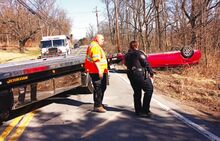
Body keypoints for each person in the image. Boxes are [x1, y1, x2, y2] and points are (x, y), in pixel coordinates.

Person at [125, 41, 154, 117]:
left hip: (130, 74)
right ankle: (145, 110)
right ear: (137, 45)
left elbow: (125, 63)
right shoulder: (138, 53)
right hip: (139, 74)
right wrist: (151, 73)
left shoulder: (127, 55)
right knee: (149, 89)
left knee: (137, 92)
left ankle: (138, 111)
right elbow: (145, 63)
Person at [84, 34, 108, 113]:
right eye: (102, 39)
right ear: (97, 39)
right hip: (96, 71)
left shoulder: (93, 45)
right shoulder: (95, 47)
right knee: (99, 88)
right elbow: (96, 60)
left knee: (99, 88)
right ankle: (98, 106)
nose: (103, 41)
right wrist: (100, 71)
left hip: (94, 70)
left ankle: (98, 103)